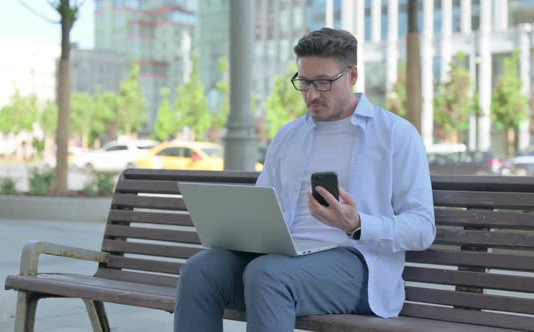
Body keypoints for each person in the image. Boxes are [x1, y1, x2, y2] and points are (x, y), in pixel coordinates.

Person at [174, 27, 435, 332]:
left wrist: (357, 223)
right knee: (199, 270)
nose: (311, 95)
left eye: (323, 83)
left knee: (267, 274)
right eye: (304, 82)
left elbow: (422, 227)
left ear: (352, 76)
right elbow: (263, 207)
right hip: (283, 258)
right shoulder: (288, 136)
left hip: (357, 265)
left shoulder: (395, 135)